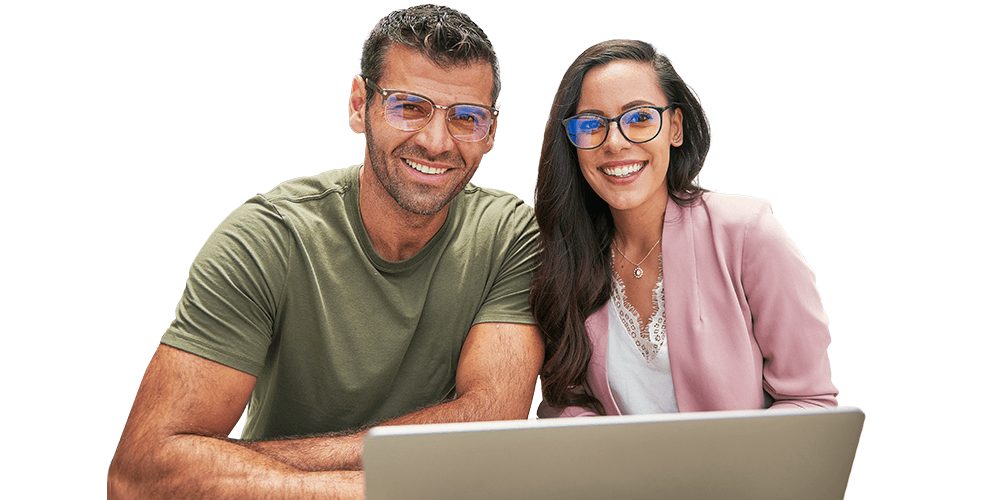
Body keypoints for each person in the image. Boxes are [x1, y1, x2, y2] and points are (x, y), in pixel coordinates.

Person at [108, 5, 543, 499]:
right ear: (360, 105)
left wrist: (241, 463)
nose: (437, 142)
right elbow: (139, 475)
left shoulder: (511, 236)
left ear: (491, 130)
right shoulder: (266, 239)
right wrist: (371, 489)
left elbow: (489, 420)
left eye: (467, 117)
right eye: (409, 107)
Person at [531, 39, 837, 418]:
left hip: (740, 476)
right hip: (616, 478)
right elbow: (566, 403)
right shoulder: (564, 257)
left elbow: (810, 403)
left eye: (639, 118)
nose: (614, 142)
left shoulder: (748, 235)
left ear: (674, 127)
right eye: (591, 125)